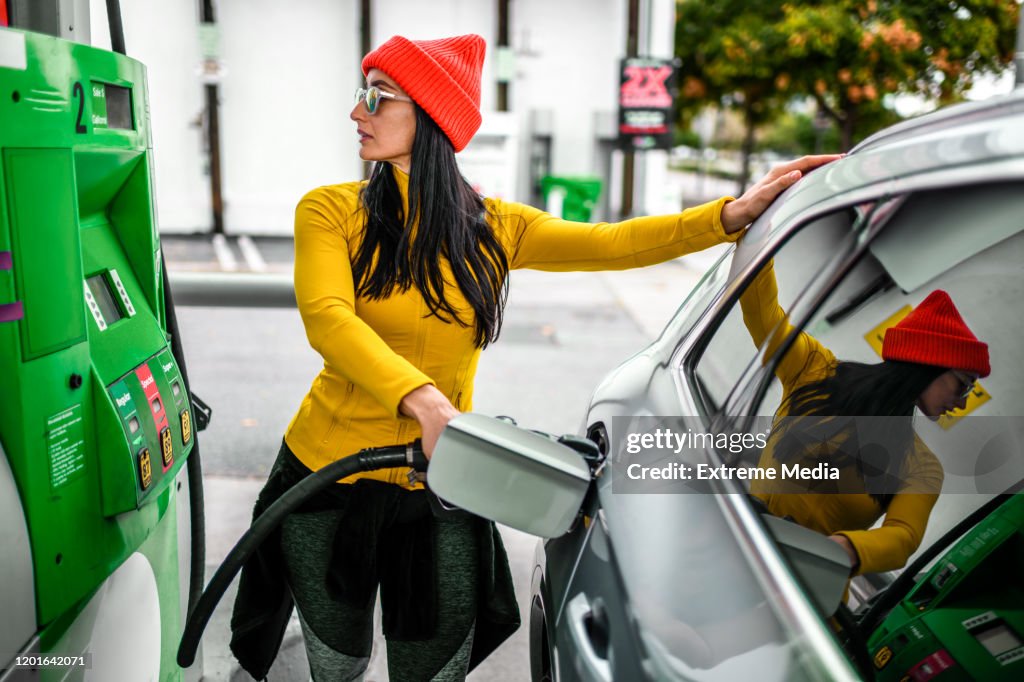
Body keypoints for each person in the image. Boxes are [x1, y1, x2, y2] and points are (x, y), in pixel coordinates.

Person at [230, 33, 840, 682]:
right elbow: (329, 319)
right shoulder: (330, 211)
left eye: (377, 99)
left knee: (433, 668)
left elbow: (614, 242)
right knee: (337, 666)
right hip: (327, 476)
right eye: (362, 97)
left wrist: (729, 214)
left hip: (440, 481)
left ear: (433, 117)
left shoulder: (495, 229)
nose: (358, 113)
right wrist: (425, 399)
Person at [743, 257, 991, 578]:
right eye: (963, 386)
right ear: (929, 363)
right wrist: (759, 242)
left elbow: (902, 536)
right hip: (743, 539)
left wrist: (843, 550)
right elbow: (764, 316)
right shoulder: (815, 373)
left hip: (808, 584)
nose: (961, 403)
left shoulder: (923, 467)